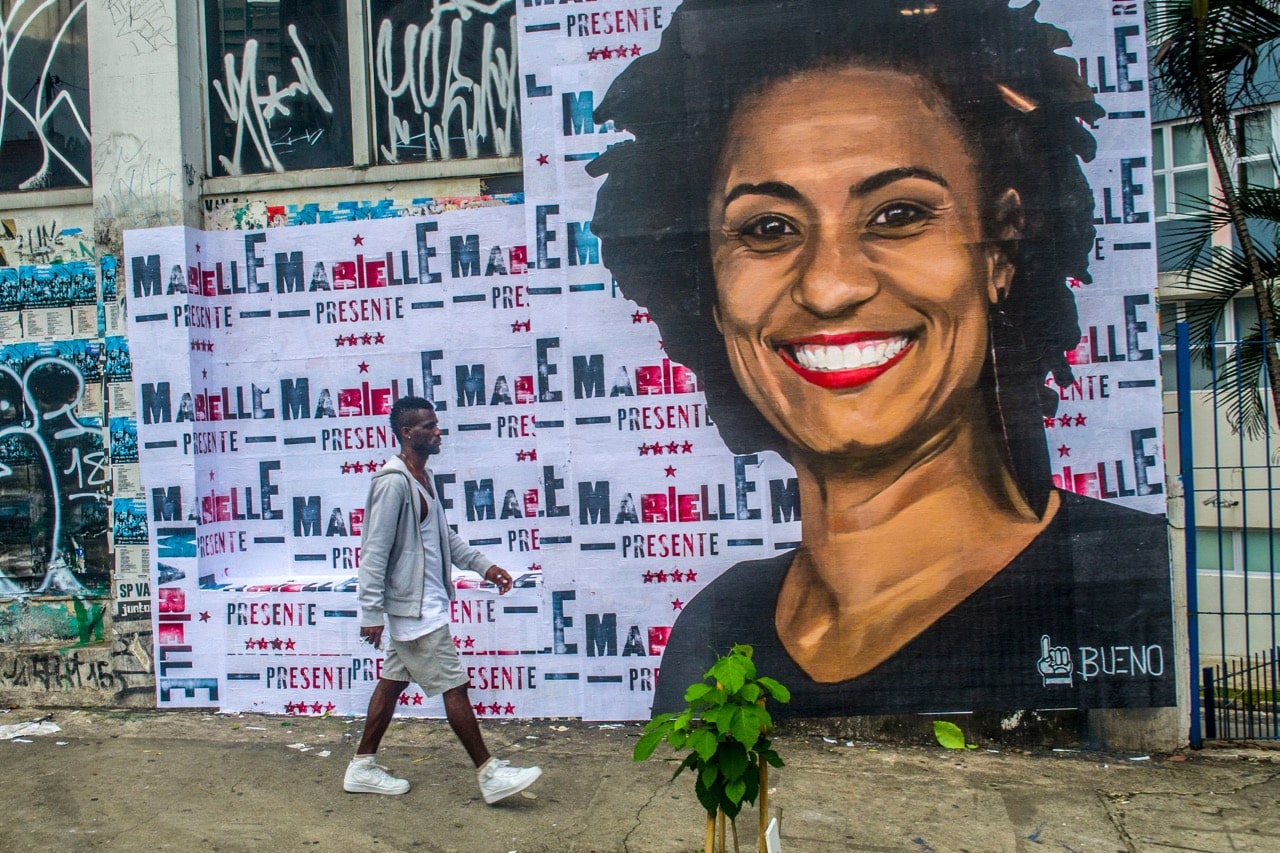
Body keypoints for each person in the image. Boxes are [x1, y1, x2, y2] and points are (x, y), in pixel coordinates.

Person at [589, 0, 1175, 716]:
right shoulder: (717, 628)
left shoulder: (1126, 586)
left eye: (899, 214)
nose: (831, 286)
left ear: (1001, 247)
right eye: (768, 228)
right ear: (710, 289)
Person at [344, 396, 543, 801]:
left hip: (420, 604)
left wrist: (485, 566)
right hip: (415, 611)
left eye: (437, 425)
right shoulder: (393, 482)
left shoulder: (422, 477)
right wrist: (370, 612)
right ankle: (489, 775)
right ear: (407, 433)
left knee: (391, 684)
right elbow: (373, 551)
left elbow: (443, 538)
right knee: (455, 687)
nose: (438, 432)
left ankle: (361, 767)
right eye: (429, 426)